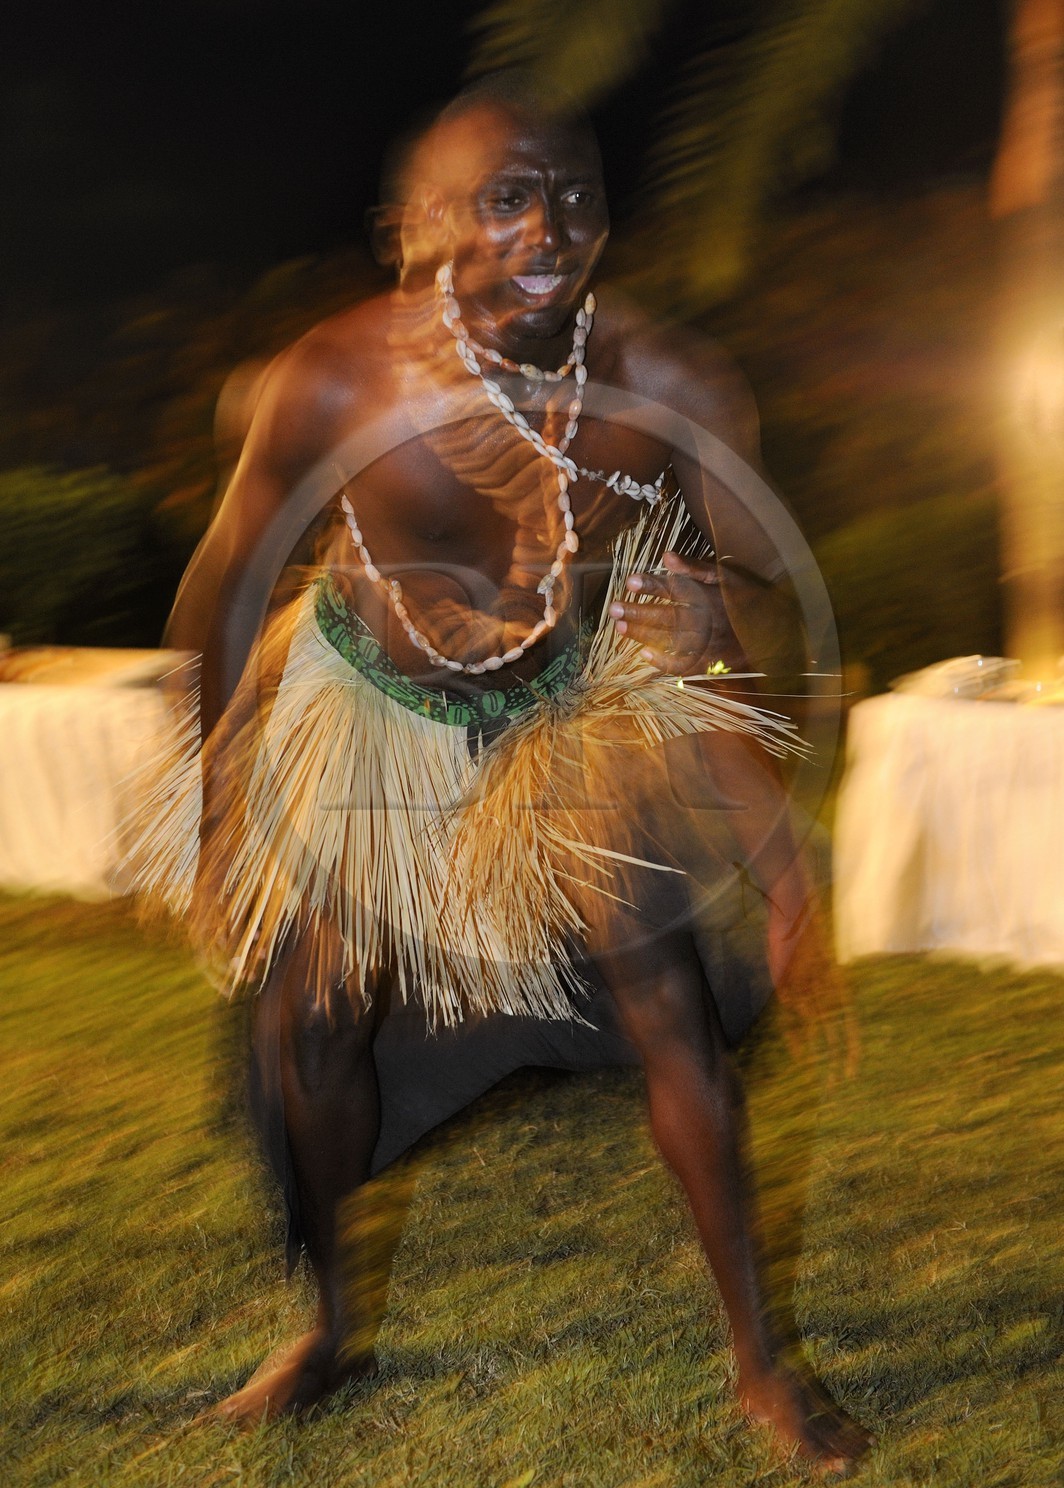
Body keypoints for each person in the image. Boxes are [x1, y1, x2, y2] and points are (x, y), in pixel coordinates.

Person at [132, 74, 869, 1469]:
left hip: (561, 716)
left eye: (576, 195)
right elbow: (224, 588)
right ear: (420, 230)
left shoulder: (666, 389)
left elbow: (719, 619)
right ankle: (329, 1328)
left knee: (670, 1008)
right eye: (508, 196)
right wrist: (221, 805)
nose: (550, 226)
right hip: (372, 707)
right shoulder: (338, 378)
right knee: (315, 1026)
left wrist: (762, 808)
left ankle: (763, 1368)